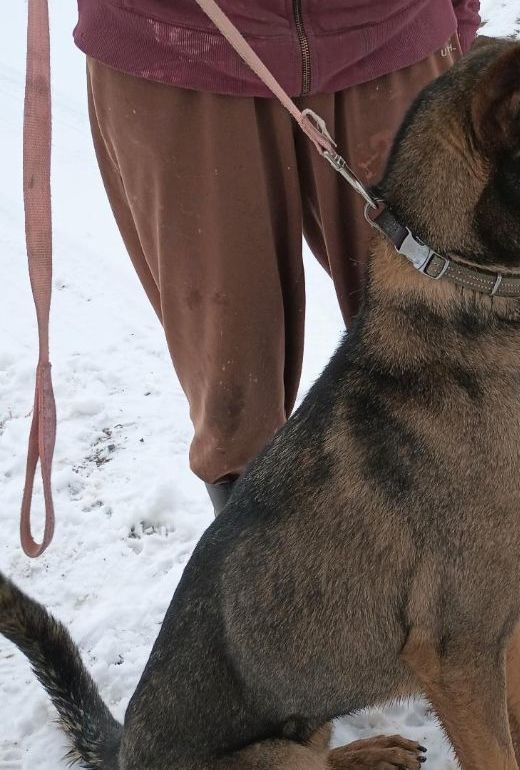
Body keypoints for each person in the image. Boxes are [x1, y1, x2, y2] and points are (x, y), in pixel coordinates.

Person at [75, 0, 480, 512]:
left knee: (449, 358)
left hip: (392, 29)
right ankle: (271, 573)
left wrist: (457, 15)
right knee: (234, 395)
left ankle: (475, 564)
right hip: (174, 42)